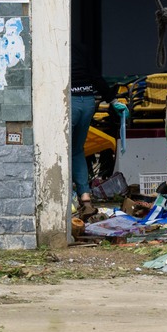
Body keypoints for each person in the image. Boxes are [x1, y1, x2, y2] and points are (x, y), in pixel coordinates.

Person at [70, 34, 98, 205]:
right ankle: (85, 194)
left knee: (63, 149)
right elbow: (95, 75)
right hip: (88, 101)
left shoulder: (56, 47)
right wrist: (112, 99)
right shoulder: (82, 48)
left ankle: (68, 194)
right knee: (77, 149)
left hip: (70, 100)